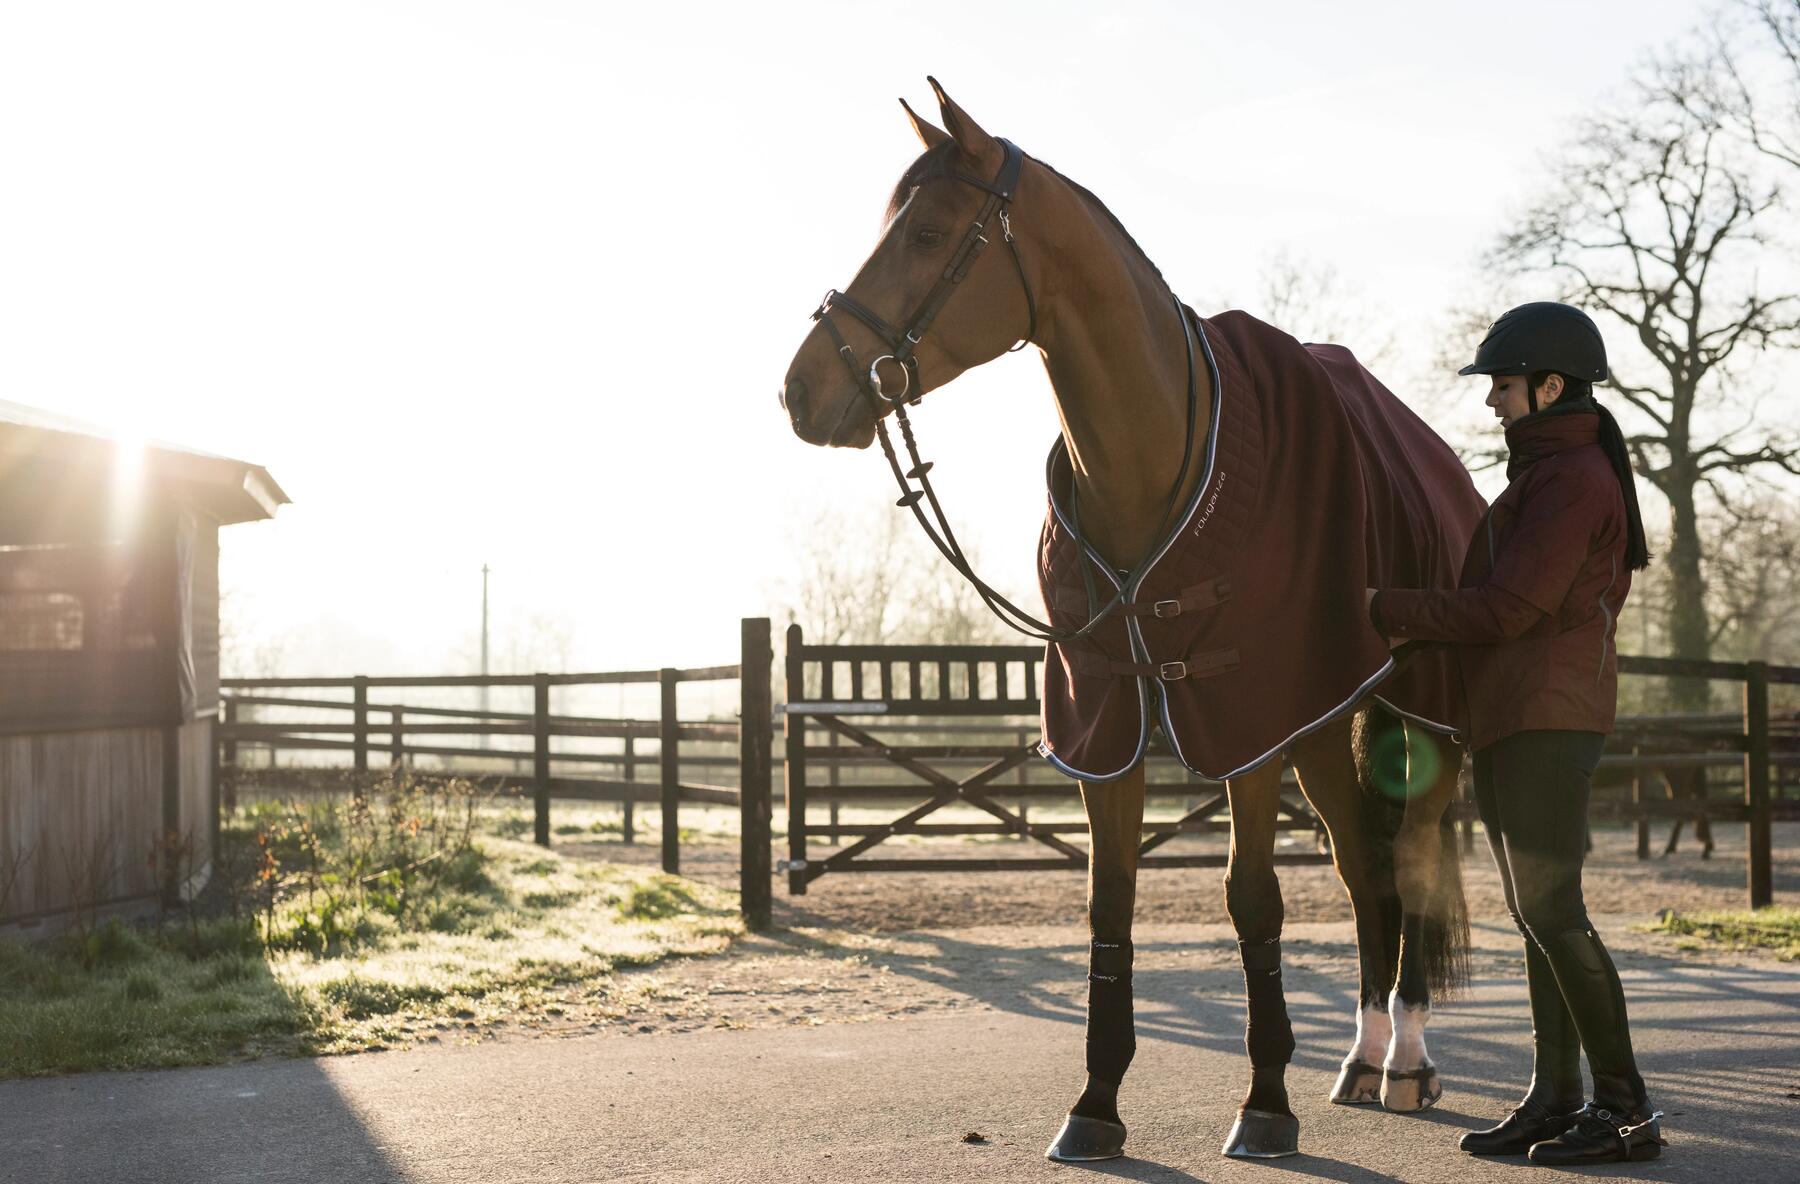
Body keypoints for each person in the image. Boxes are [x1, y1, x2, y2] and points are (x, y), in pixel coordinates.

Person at [1364, 302, 1665, 1165]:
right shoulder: (1546, 478)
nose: (1492, 400)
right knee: (1538, 915)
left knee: (1554, 911)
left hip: (1546, 718)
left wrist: (1384, 610)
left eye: (1503, 384)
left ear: (1549, 385)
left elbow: (1510, 607)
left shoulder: (1571, 483)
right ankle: (1556, 1096)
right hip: (1515, 716)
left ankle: (1625, 1109)